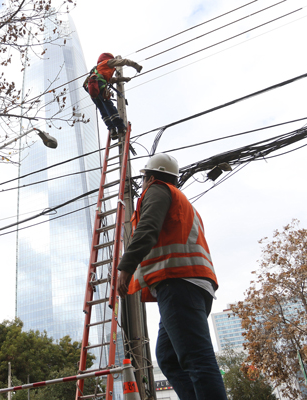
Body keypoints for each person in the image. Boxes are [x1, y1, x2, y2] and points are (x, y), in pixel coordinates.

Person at [117, 154, 228, 400]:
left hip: (179, 283)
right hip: (188, 284)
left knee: (196, 357)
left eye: (144, 178)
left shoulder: (157, 190)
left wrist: (126, 267)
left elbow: (147, 228)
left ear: (151, 177)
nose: (143, 184)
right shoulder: (179, 200)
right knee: (169, 358)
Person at [84, 53, 142, 139]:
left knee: (103, 110)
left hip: (92, 90)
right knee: (109, 106)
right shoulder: (107, 62)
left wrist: (124, 79)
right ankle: (120, 127)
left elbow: (111, 80)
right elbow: (124, 61)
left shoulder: (98, 69)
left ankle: (112, 130)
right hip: (99, 85)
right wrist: (136, 66)